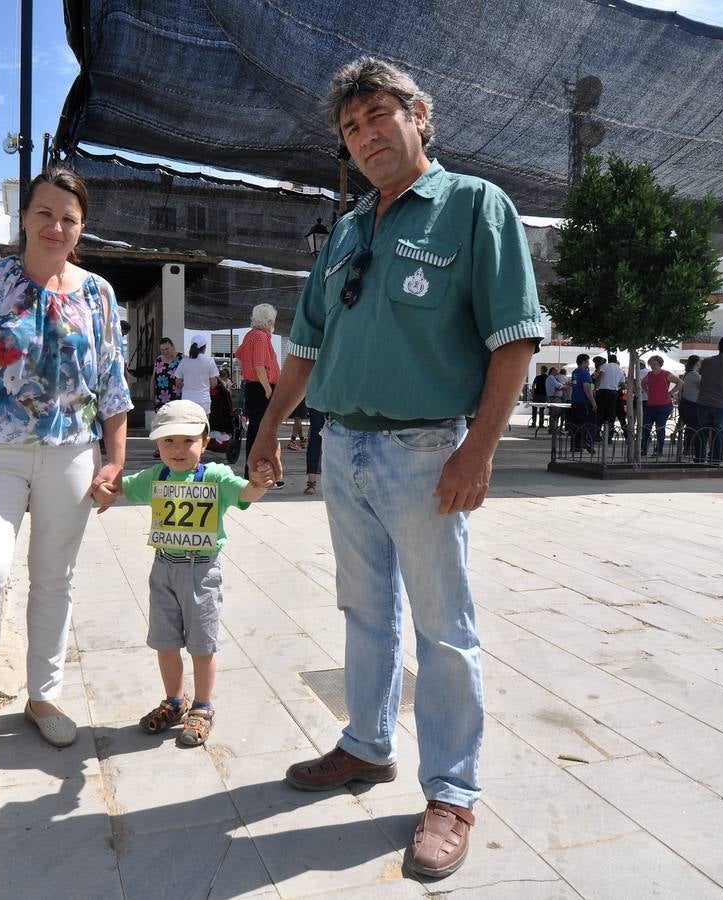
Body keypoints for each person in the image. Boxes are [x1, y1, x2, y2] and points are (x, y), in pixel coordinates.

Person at [246, 57, 544, 879]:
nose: (365, 134)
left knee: (443, 628)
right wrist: (269, 431)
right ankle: (366, 745)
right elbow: (303, 346)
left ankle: (451, 792)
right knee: (362, 609)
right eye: (349, 127)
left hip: (425, 453)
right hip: (341, 447)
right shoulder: (346, 230)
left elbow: (513, 337)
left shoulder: (474, 206)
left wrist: (476, 450)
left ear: (419, 116)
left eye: (379, 115)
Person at [0, 167, 131, 773]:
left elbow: (112, 385)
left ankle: (44, 696)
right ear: (24, 217)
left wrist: (115, 459)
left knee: (54, 581)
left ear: (81, 227)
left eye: (69, 217)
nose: (56, 226)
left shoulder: (98, 294)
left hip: (70, 454)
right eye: (45, 213)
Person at [95, 400, 274, 747]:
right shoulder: (155, 477)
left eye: (187, 441)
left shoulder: (215, 477)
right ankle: (174, 701)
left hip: (202, 571)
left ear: (205, 442)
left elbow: (246, 494)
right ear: (157, 444)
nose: (177, 450)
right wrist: (103, 488)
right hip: (163, 568)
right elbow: (118, 488)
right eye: (168, 441)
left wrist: (260, 482)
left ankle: (203, 706)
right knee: (165, 641)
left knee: (201, 644)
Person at [233, 303, 281, 478]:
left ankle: (252, 471)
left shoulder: (251, 335)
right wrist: (268, 389)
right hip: (262, 388)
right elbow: (260, 366)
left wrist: (248, 371)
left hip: (255, 386)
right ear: (268, 321)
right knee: (262, 430)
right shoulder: (260, 337)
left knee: (257, 429)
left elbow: (238, 356)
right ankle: (255, 472)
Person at [639, 355, 679, 457]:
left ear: (660, 364)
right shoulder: (649, 374)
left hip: (663, 405)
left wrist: (671, 392)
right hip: (650, 405)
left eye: (655, 364)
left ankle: (658, 450)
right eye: (651, 364)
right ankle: (643, 449)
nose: (653, 366)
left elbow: (680, 382)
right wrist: (647, 391)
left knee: (660, 429)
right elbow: (643, 383)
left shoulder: (666, 374)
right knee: (646, 428)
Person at [175, 335, 219, 412]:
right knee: (204, 423)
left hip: (187, 400)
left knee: (188, 423)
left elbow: (178, 382)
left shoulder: (184, 361)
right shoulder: (209, 360)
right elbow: (213, 384)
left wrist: (187, 385)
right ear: (204, 347)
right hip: (203, 400)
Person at [595, 352, 625, 443]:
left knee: (600, 414)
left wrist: (596, 385)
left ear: (608, 359)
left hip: (603, 392)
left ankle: (596, 435)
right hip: (614, 393)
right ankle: (609, 437)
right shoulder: (620, 370)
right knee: (611, 415)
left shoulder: (604, 366)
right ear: (616, 360)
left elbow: (600, 377)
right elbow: (623, 385)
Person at [569, 354, 596, 452]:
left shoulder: (575, 372)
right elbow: (587, 388)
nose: (589, 363)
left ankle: (575, 445)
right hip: (583, 402)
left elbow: (574, 384)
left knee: (575, 424)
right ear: (584, 362)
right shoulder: (585, 373)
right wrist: (593, 402)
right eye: (588, 361)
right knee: (586, 424)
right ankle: (586, 443)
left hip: (575, 401)